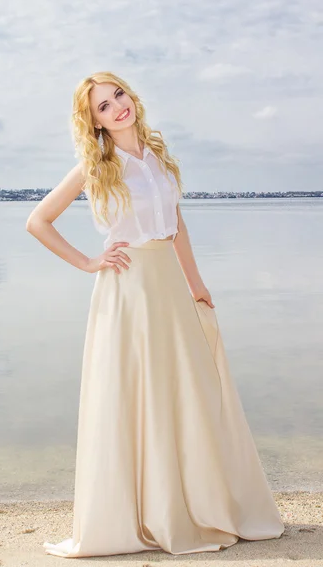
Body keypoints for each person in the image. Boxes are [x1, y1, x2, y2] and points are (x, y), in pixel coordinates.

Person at [26, 71, 285, 558]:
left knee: (187, 393)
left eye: (118, 95)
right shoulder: (94, 165)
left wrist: (197, 283)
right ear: (95, 122)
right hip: (128, 290)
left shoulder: (158, 155)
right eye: (103, 106)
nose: (117, 107)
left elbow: (177, 223)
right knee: (137, 396)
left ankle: (193, 502)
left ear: (131, 96)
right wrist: (88, 262)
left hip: (169, 283)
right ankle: (148, 515)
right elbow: (37, 221)